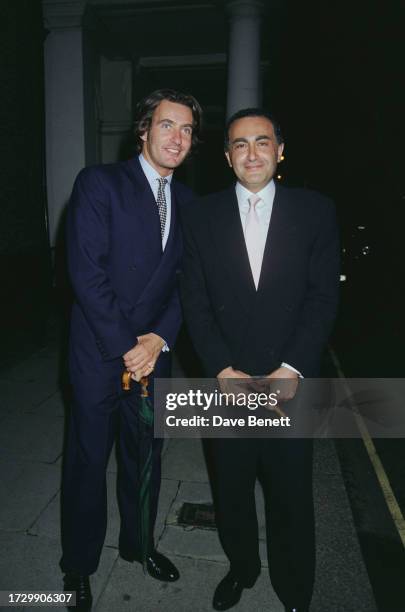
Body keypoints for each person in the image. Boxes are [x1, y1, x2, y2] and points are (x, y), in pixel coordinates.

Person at [179, 108, 339, 612]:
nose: (252, 153)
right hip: (228, 382)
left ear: (280, 150)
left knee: (291, 493)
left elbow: (322, 298)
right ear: (227, 157)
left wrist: (292, 368)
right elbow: (195, 300)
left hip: (288, 381)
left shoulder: (315, 211)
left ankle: (295, 590)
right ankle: (242, 568)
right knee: (232, 489)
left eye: (262, 142)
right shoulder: (200, 216)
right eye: (240, 144)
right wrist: (222, 369)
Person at [61, 89, 202, 610]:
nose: (177, 138)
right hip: (100, 353)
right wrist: (129, 347)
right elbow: (87, 274)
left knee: (147, 459)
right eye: (167, 125)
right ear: (143, 130)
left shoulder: (189, 202)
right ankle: (78, 564)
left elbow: (189, 282)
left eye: (187, 130)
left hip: (154, 353)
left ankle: (139, 545)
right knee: (87, 461)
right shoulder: (99, 183)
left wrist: (158, 339)